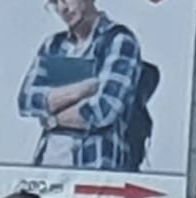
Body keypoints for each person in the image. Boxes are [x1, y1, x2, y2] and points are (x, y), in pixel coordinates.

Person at [17, 0, 145, 171]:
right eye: (55, 2)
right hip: (48, 165)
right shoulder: (53, 45)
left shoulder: (118, 40)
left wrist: (52, 118)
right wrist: (80, 91)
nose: (63, 8)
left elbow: (103, 110)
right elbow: (26, 100)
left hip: (96, 167)